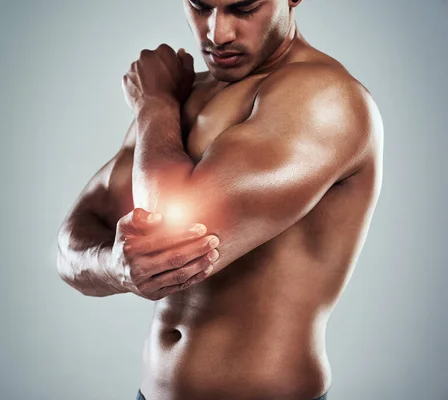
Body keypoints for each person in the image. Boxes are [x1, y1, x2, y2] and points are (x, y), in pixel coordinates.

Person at [57, 0, 383, 398]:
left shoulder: (324, 98)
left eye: (243, 8)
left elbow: (168, 229)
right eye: (200, 6)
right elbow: (71, 245)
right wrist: (114, 266)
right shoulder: (184, 95)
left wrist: (154, 106)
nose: (216, 34)